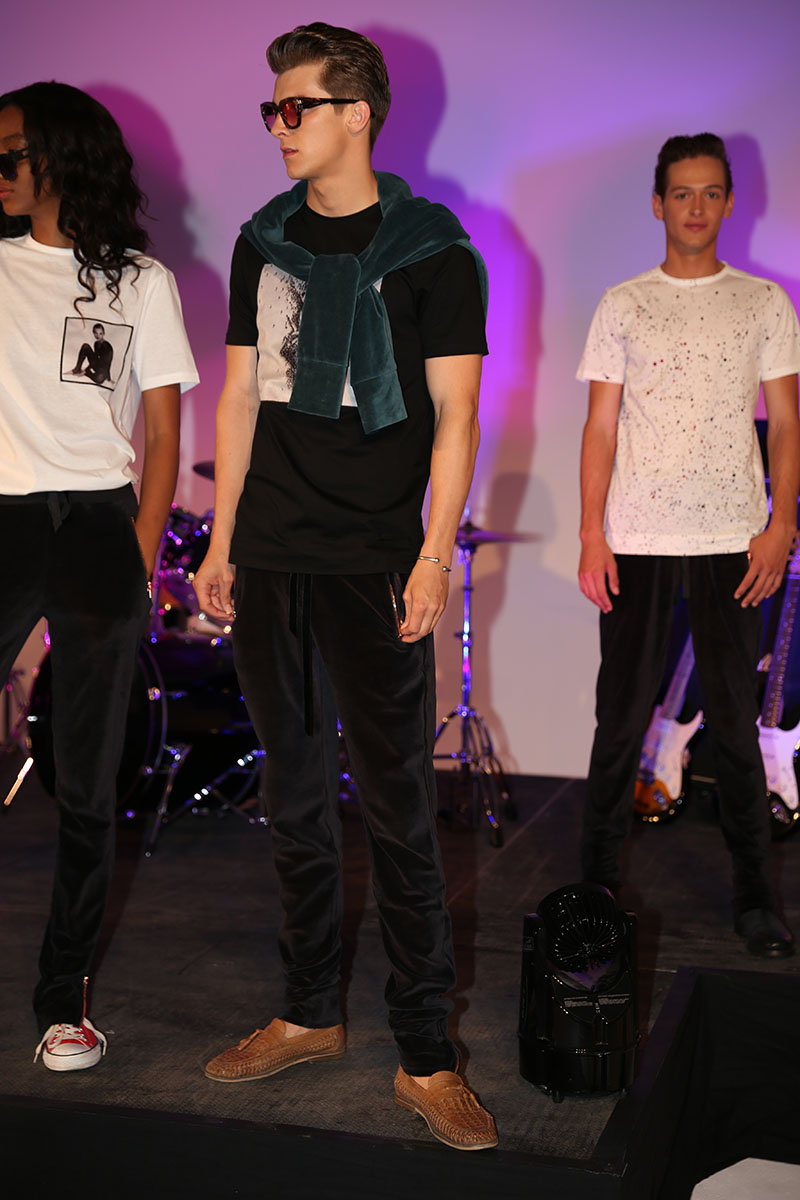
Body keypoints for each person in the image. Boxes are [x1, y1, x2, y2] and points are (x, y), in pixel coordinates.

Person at [194, 23, 497, 1150]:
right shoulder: (260, 244)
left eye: (297, 107)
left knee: (401, 815)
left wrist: (432, 555)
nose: (279, 126)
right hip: (273, 554)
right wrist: (220, 544)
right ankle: (308, 1013)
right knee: (293, 804)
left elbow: (457, 419)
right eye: (271, 109)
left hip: (375, 561)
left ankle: (427, 1055)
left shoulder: (435, 254)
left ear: (356, 115)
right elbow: (237, 399)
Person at [0, 82, 198, 1069]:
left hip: (96, 525)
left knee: (86, 779)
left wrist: (138, 548)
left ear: (62, 158)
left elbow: (162, 432)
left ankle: (63, 1000)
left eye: (10, 153)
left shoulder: (140, 283)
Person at [577, 133, 800, 959]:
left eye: (710, 192)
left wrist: (780, 525)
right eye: (681, 192)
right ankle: (595, 888)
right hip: (636, 537)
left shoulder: (764, 302)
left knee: (736, 727)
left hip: (733, 539)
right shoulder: (623, 303)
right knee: (619, 721)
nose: (696, 207)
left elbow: (787, 423)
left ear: (729, 203)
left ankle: (755, 899)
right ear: (658, 203)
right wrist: (591, 532)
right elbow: (600, 428)